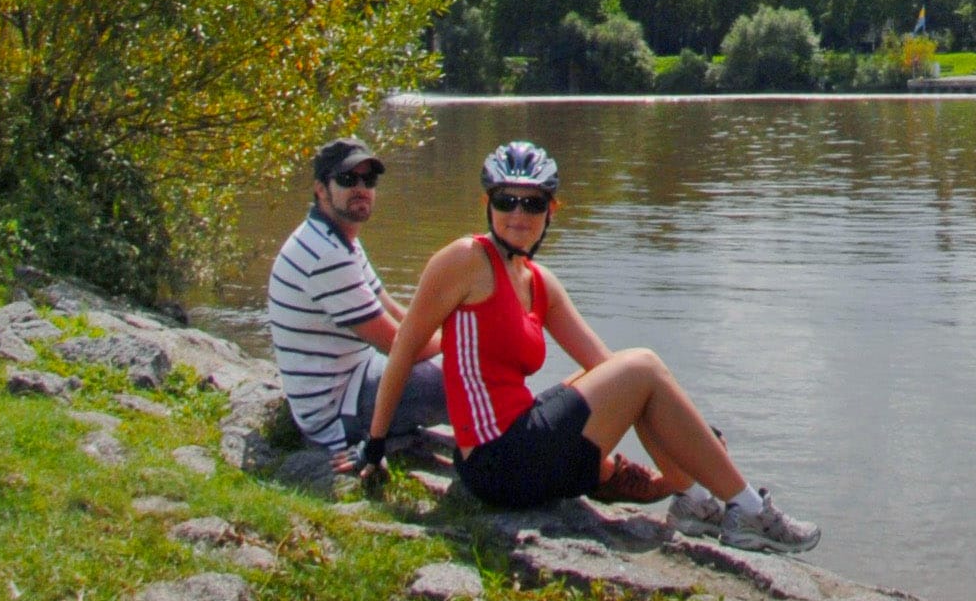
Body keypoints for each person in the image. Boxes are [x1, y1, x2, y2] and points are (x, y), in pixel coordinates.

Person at [350, 139, 820, 554]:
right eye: (506, 200)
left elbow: (604, 369)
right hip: (496, 459)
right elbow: (405, 349)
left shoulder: (538, 282)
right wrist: (374, 447)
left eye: (532, 204)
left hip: (527, 449)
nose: (518, 214)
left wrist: (692, 437)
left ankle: (691, 497)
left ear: (550, 211)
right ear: (487, 204)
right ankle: (749, 510)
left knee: (637, 381)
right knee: (643, 366)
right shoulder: (465, 260)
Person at [265, 136, 448, 459]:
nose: (361, 188)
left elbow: (393, 311)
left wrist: (452, 337)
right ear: (321, 189)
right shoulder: (325, 254)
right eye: (348, 180)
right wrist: (461, 345)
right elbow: (396, 343)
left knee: (469, 367)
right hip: (337, 412)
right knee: (464, 379)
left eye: (369, 179)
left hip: (356, 377)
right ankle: (502, 460)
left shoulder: (338, 237)